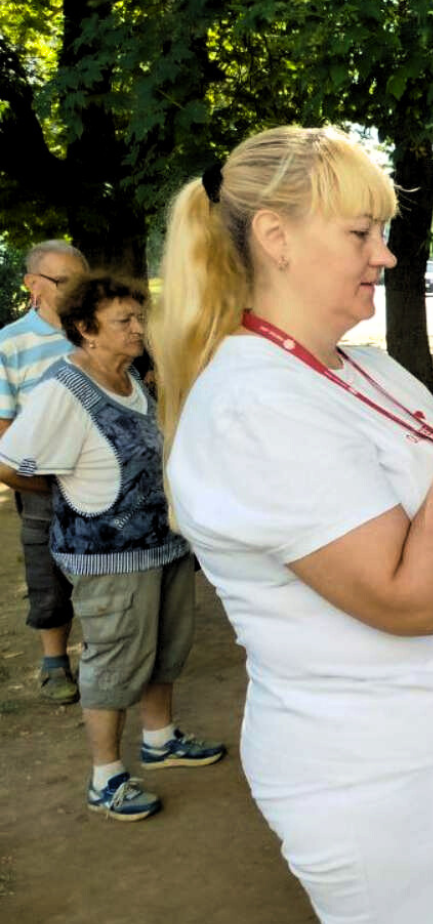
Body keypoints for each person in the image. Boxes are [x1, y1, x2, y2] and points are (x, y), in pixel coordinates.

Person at [150, 125, 433, 923]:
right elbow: (411, 598)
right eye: (360, 233)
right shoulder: (251, 403)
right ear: (276, 238)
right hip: (386, 778)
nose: (385, 255)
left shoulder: (369, 369)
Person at [0, 272, 222, 821]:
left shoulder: (128, 377)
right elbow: (11, 462)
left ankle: (160, 739)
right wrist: (69, 492)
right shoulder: (64, 388)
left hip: (160, 543)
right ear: (85, 330)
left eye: (138, 317)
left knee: (165, 648)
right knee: (115, 659)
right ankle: (106, 777)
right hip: (107, 554)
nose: (138, 328)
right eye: (123, 321)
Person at [2, 240, 87, 704]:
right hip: (40, 482)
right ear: (33, 285)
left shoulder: (96, 331)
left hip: (98, 477)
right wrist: (32, 482)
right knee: (46, 569)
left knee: (102, 569)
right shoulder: (9, 342)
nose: (77, 291)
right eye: (64, 281)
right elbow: (3, 430)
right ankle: (54, 662)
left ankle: (105, 655)